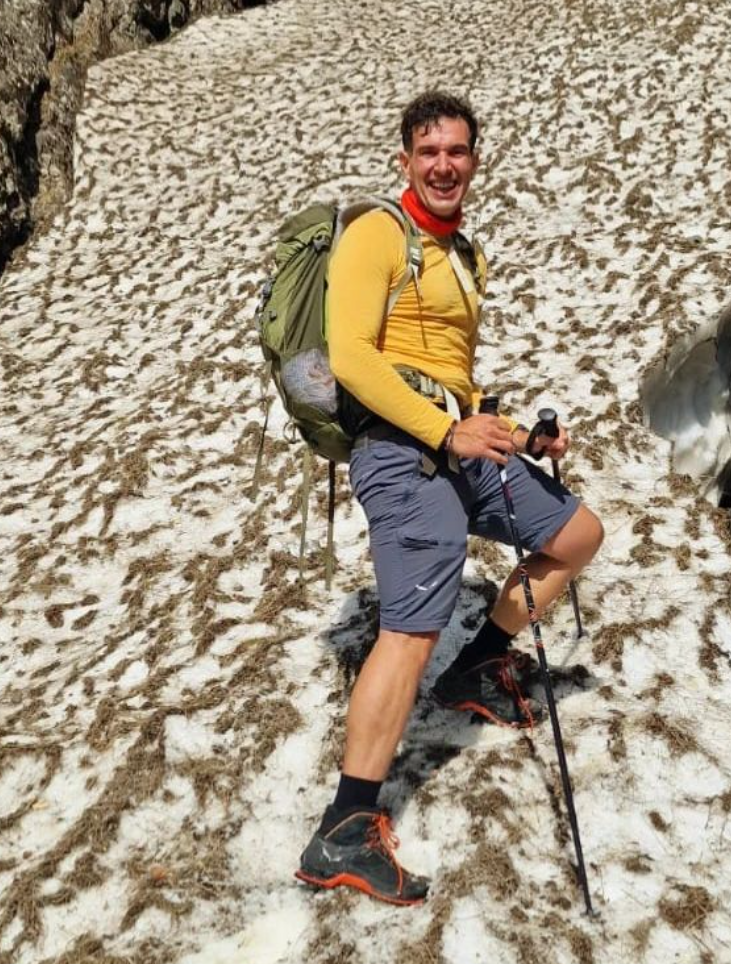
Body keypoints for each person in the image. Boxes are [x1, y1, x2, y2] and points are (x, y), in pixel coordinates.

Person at [295, 91, 604, 905]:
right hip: (399, 451)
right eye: (428, 152)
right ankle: (343, 829)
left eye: (457, 152)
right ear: (405, 160)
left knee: (575, 535)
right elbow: (351, 356)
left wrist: (517, 437)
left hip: (456, 439)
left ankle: (477, 667)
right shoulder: (376, 233)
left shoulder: (461, 252)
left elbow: (450, 377)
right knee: (409, 628)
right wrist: (443, 432)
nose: (443, 165)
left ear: (474, 160)